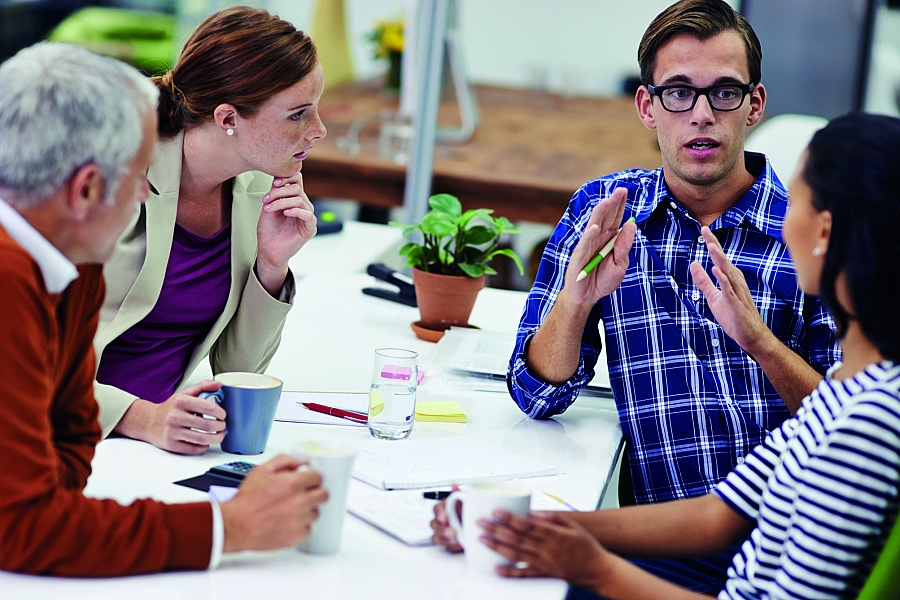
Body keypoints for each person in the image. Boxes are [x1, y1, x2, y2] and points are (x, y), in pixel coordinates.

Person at [437, 111, 900, 599]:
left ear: (823, 232)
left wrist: (596, 570)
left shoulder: (867, 423)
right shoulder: (851, 390)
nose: (783, 224)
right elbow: (717, 513)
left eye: (797, 201)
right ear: (647, 105)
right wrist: (527, 525)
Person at [506, 0, 839, 590]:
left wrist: (758, 342)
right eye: (679, 92)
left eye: (725, 93)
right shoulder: (606, 212)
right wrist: (577, 300)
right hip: (663, 535)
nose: (703, 115)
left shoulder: (807, 230)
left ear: (754, 105)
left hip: (790, 546)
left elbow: (849, 426)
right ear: (647, 106)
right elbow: (537, 394)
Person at [0, 42, 327, 576]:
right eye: (139, 179)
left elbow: (66, 444)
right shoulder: (11, 279)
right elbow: (24, 529)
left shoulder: (69, 264)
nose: (146, 197)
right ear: (86, 190)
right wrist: (231, 527)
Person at [93, 5, 326, 455]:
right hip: (72, 433)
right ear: (227, 119)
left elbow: (239, 370)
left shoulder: (257, 183)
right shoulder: (112, 177)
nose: (319, 130)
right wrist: (143, 418)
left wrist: (271, 266)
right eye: (298, 114)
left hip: (163, 439)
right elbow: (25, 361)